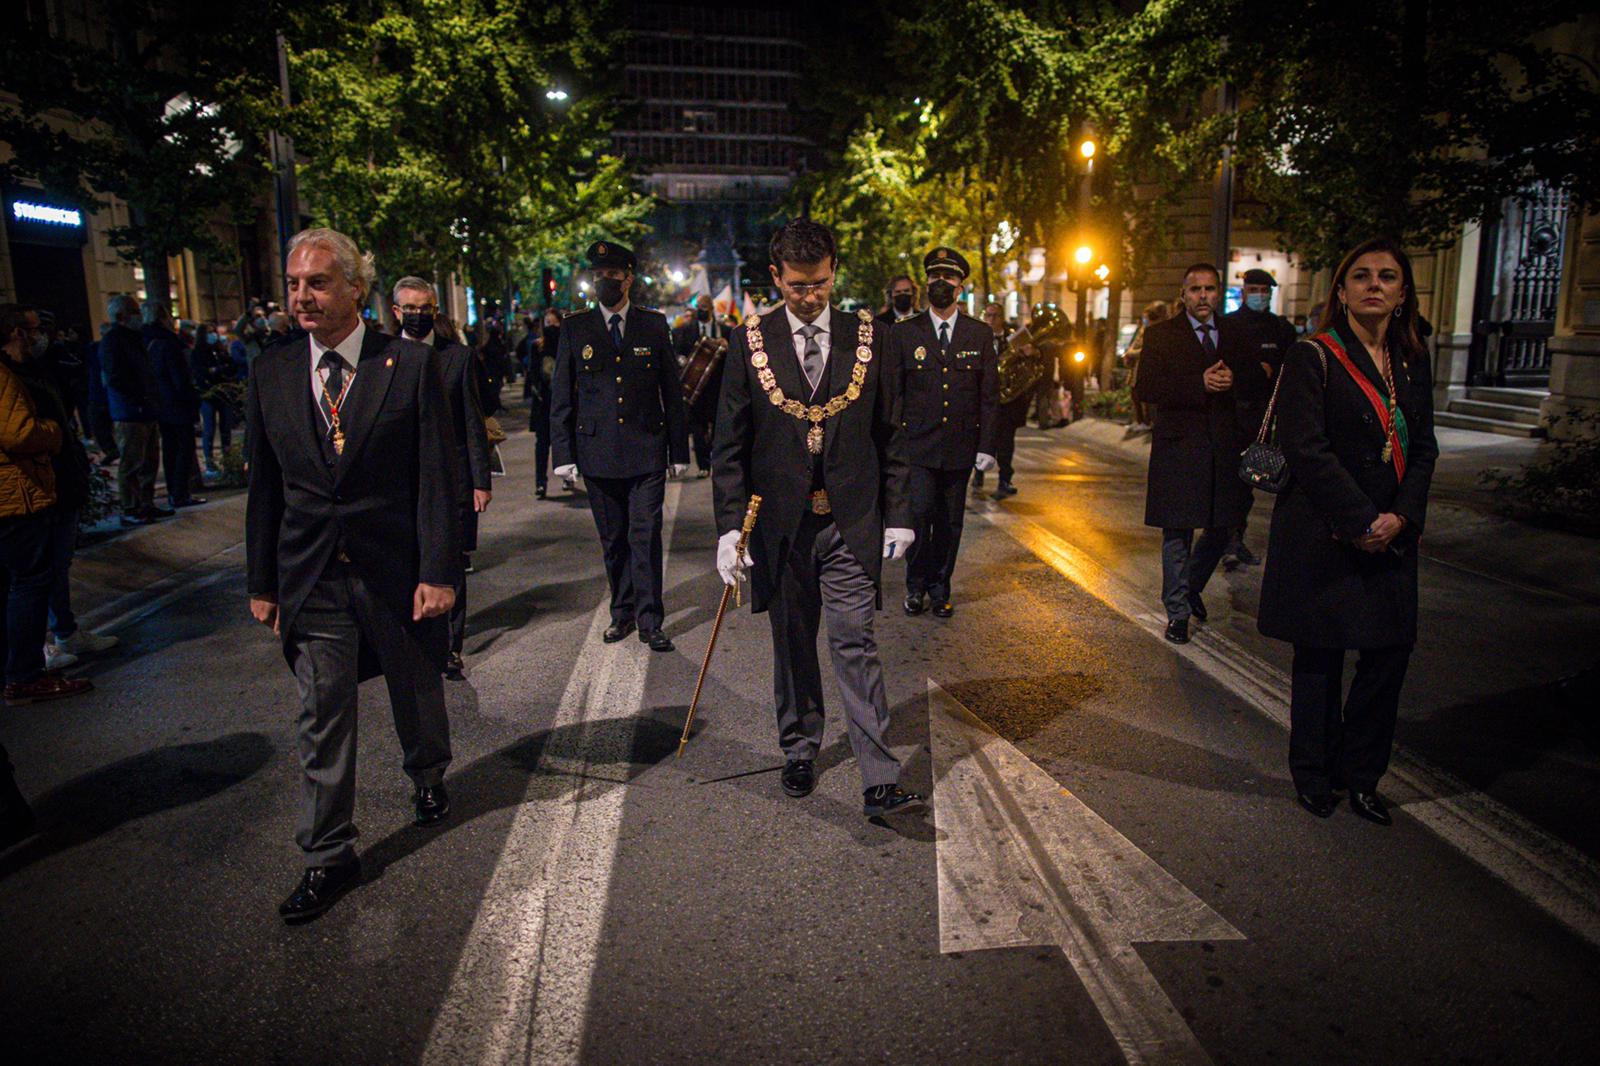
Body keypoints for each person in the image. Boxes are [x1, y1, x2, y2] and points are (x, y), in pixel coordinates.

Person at [245, 228, 459, 922]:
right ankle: (327, 853)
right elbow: (265, 491)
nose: (301, 296)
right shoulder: (271, 372)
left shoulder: (409, 364)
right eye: (294, 283)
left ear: (355, 289)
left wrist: (438, 570)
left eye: (317, 282)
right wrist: (261, 582)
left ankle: (428, 774)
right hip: (313, 577)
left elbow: (435, 476)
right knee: (321, 716)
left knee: (415, 688)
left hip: (395, 568)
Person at [712, 218, 923, 819]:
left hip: (850, 521)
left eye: (822, 283)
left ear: (835, 271)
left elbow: (892, 433)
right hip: (781, 525)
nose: (810, 297)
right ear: (775, 277)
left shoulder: (871, 336)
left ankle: (879, 775)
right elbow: (729, 445)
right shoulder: (748, 342)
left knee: (854, 638)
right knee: (793, 642)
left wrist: (899, 513)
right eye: (798, 286)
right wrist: (731, 528)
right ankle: (800, 746)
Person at [1258, 238, 1438, 826]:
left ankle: (1361, 777)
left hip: (1391, 535)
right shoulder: (1313, 356)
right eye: (1360, 276)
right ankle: (1313, 775)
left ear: (1403, 292)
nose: (1374, 285)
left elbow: (1426, 448)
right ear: (1341, 290)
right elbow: (1306, 450)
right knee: (1321, 662)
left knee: (1387, 659)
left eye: (1387, 276)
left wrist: (1401, 518)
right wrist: (1361, 520)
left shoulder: (1412, 359)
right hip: (1326, 532)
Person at [550, 240, 690, 653]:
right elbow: (563, 395)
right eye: (598, 276)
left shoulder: (653, 323)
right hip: (596, 453)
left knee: (645, 536)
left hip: (646, 448)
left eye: (612, 276)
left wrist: (679, 451)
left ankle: (650, 619)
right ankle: (622, 612)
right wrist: (564, 456)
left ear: (628, 278)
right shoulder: (576, 328)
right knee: (613, 540)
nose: (604, 282)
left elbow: (672, 390)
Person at [1130, 263, 1252, 645]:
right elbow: (1146, 387)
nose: (1203, 296)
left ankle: (1192, 585)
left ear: (1219, 293)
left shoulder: (1233, 333)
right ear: (1183, 295)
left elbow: (1256, 381)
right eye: (1195, 289)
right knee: (1177, 532)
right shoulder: (1161, 335)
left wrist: (1237, 380)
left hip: (1224, 447)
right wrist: (1197, 383)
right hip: (1180, 449)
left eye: (1210, 289)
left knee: (1224, 525)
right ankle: (1177, 612)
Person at [391, 277, 492, 682]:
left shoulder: (458, 358)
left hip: (450, 479)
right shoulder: (383, 357)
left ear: (436, 310)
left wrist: (480, 481)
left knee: (451, 559)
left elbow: (473, 423)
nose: (417, 315)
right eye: (409, 308)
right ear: (396, 312)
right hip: (399, 482)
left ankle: (451, 646)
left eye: (425, 307)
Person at [894, 247, 999, 618]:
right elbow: (896, 395)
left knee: (951, 522)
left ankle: (940, 588)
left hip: (959, 447)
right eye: (935, 277)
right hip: (918, 448)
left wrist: (988, 445)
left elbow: (989, 397)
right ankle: (915, 585)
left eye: (949, 278)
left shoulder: (979, 334)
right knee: (920, 515)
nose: (942, 283)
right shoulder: (905, 333)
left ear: (960, 286)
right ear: (927, 283)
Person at [0, 304, 94, 706]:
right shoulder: (5, 377)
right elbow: (18, 434)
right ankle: (25, 675)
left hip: (27, 492)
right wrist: (53, 431)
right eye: (35, 330)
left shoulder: (31, 370)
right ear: (17, 332)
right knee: (29, 582)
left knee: (29, 581)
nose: (43, 336)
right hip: (17, 498)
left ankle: (24, 668)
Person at [1220, 268, 1299, 568]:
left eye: (1265, 291)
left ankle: (1235, 539)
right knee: (1233, 482)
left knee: (1256, 481)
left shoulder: (1280, 329)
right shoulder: (1229, 326)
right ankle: (1228, 539)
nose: (1260, 296)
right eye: (1254, 290)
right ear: (1244, 292)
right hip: (1233, 415)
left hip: (1267, 418)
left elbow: (1289, 371)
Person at [103, 294, 168, 526]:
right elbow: (115, 377)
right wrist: (139, 398)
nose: (138, 315)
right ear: (121, 316)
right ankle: (131, 507)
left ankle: (146, 503)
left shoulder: (134, 338)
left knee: (149, 460)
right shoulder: (113, 341)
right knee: (131, 462)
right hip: (130, 412)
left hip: (146, 409)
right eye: (133, 311)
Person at [143, 301, 205, 509]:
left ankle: (175, 492)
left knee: (170, 450)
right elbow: (179, 378)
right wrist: (192, 404)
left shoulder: (146, 341)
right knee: (182, 449)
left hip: (160, 405)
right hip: (176, 405)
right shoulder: (168, 343)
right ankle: (180, 493)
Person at [672, 293, 731, 478]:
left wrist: (727, 346)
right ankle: (704, 466)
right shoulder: (684, 331)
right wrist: (684, 361)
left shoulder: (725, 331)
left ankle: (716, 459)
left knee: (718, 428)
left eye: (705, 307)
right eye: (699, 307)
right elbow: (676, 354)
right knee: (698, 428)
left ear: (712, 308)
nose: (702, 311)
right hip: (695, 388)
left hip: (717, 387)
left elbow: (735, 359)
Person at [986, 302, 1028, 499]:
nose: (991, 320)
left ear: (1002, 318)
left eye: (994, 316)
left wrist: (1029, 353)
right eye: (988, 315)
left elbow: (1031, 362)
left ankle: (1005, 478)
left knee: (1005, 442)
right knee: (984, 438)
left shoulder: (1013, 337)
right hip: (985, 399)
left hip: (1007, 401)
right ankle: (978, 473)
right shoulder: (980, 336)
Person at [1123, 300, 1170, 433]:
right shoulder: (1145, 329)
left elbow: (1147, 349)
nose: (1146, 320)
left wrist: (1132, 353)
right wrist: (1130, 353)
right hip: (1137, 368)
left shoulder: (1162, 330)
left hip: (1149, 368)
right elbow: (1136, 344)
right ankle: (1140, 420)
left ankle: (1148, 421)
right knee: (1135, 394)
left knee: (1146, 397)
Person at [527, 310, 559, 498]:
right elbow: (533, 373)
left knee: (563, 441)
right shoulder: (537, 347)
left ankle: (567, 474)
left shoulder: (564, 345)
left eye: (554, 324)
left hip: (561, 403)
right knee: (542, 444)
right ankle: (540, 482)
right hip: (543, 401)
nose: (550, 327)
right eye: (547, 323)